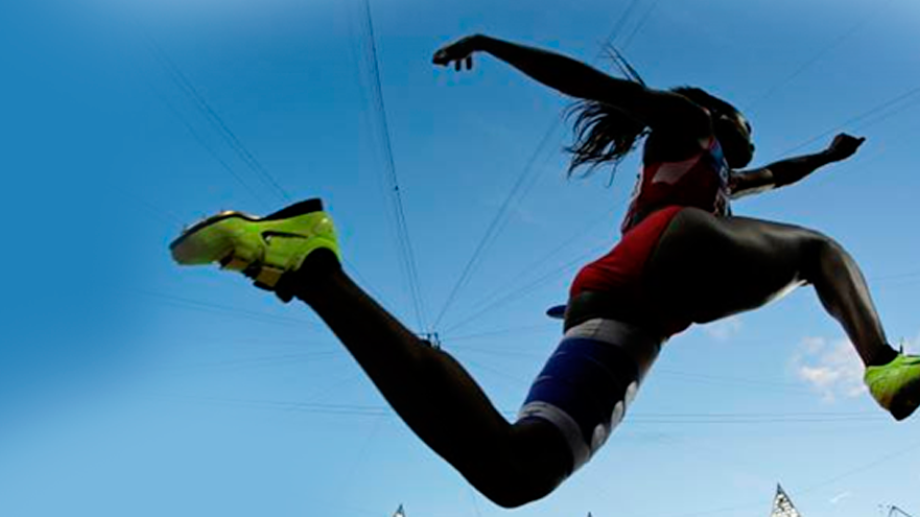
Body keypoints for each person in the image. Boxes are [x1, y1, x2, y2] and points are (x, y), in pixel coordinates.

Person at [169, 34, 920, 508]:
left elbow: (777, 174)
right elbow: (594, 86)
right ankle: (884, 364)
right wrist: (494, 45)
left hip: (614, 302)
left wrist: (827, 157)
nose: (753, 137)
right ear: (720, 115)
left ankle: (309, 263)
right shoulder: (688, 125)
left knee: (514, 472)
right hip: (662, 255)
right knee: (819, 252)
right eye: (746, 125)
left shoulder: (720, 178)